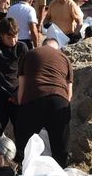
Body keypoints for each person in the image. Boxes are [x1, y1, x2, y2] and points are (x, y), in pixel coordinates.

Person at [15, 37, 73, 166]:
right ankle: (60, 175)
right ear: (57, 48)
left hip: (34, 99)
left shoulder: (30, 54)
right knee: (60, 145)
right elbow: (69, 93)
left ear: (43, 45)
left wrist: (22, 110)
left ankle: (21, 169)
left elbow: (21, 88)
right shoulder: (64, 58)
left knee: (25, 142)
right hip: (59, 100)